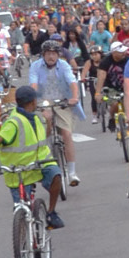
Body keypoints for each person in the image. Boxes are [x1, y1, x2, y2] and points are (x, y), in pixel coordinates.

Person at [0, 85, 65, 234]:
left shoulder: (36, 117)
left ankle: (51, 212)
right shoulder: (13, 122)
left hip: (41, 163)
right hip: (19, 169)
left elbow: (43, 138)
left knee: (56, 175)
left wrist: (48, 122)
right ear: (33, 101)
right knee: (21, 211)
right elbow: (0, 138)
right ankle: (22, 248)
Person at [29, 39, 82, 186]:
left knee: (66, 134)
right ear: (43, 54)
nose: (51, 57)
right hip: (42, 102)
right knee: (43, 132)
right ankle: (42, 165)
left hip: (62, 102)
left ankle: (72, 172)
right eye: (48, 53)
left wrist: (74, 97)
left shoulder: (64, 65)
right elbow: (33, 83)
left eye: (54, 53)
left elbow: (72, 82)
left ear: (58, 55)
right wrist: (32, 100)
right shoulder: (35, 66)